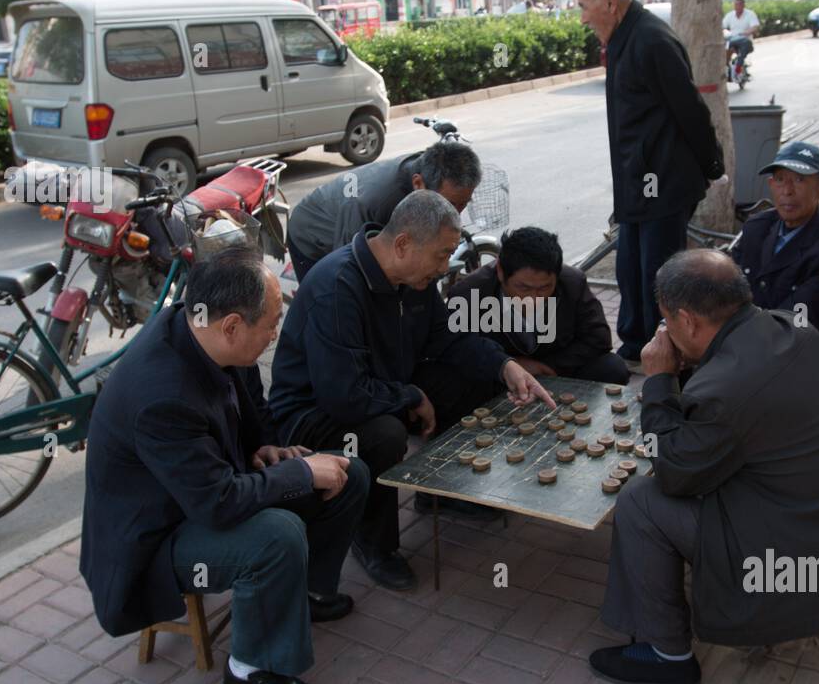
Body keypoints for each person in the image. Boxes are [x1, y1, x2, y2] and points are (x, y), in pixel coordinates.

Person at [590, 250, 819, 684]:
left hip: (812, 561)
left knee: (641, 501)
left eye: (668, 322)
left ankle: (667, 655)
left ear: (688, 321)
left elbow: (674, 472)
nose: (667, 332)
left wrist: (658, 379)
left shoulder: (725, 388)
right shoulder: (793, 327)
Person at [80, 246, 370, 684]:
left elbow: (244, 413)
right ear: (233, 325)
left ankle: (307, 596)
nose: (277, 332)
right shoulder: (161, 394)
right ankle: (252, 671)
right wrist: (294, 473)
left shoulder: (203, 331)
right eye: (272, 322)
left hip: (199, 492)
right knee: (275, 534)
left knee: (346, 472)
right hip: (154, 538)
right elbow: (218, 505)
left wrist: (267, 450)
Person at [270, 191, 556, 591]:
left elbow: (447, 338)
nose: (445, 267)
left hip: (381, 388)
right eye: (441, 255)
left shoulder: (414, 280)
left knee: (472, 376)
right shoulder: (337, 287)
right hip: (313, 413)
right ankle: (374, 544)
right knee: (383, 432)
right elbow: (344, 395)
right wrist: (411, 397)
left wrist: (504, 365)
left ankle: (440, 492)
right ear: (403, 244)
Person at [576, 0, 725, 370]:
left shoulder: (653, 41)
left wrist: (712, 165)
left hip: (664, 181)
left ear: (609, 1)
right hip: (637, 183)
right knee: (630, 267)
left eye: (583, 6)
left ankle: (669, 353)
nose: (582, 17)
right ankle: (635, 344)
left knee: (659, 273)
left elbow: (690, 110)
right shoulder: (623, 39)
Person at [447, 226, 630, 384]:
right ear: (501, 271)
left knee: (612, 367)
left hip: (556, 369)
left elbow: (598, 338)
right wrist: (507, 365)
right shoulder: (469, 292)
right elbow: (457, 350)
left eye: (544, 288)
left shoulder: (572, 282)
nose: (533, 299)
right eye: (523, 288)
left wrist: (546, 366)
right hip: (500, 376)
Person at [285, 141, 482, 283]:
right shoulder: (373, 203)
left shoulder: (428, 167)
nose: (455, 214)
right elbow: (346, 267)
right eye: (449, 204)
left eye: (462, 205)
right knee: (329, 304)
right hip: (311, 234)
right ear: (418, 184)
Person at [728, 141, 819, 349]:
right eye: (780, 179)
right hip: (750, 343)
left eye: (799, 180)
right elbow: (726, 284)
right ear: (770, 184)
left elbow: (798, 321)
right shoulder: (757, 226)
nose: (787, 190)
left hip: (798, 355)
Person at [722, 0, 760, 69]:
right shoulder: (730, 15)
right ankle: (727, 67)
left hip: (745, 40)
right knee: (726, 49)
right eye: (736, 5)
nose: (737, 6)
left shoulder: (750, 14)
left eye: (739, 5)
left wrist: (746, 32)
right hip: (732, 39)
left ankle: (739, 66)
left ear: (743, 5)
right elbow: (723, 26)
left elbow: (755, 27)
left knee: (743, 49)